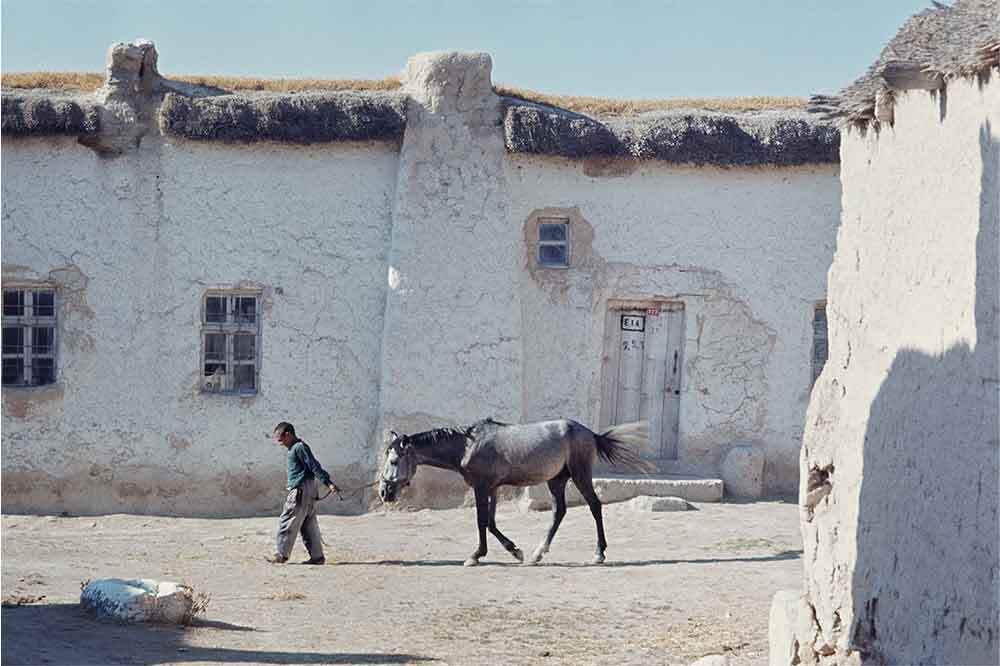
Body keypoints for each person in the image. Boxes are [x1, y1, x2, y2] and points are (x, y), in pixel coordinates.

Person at [267, 422, 339, 565]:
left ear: (288, 434)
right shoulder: (297, 448)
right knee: (308, 524)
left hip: (301, 490)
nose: (281, 444)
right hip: (309, 490)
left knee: (287, 520)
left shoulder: (299, 448)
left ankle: (281, 554)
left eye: (281, 440)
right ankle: (317, 557)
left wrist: (328, 482)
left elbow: (313, 466)